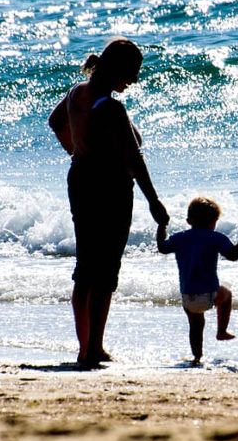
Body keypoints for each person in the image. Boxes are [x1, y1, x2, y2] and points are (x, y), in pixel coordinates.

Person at [48, 37, 170, 369]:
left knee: (86, 267)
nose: (135, 80)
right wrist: (154, 201)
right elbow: (134, 157)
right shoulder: (112, 107)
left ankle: (85, 347)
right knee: (104, 271)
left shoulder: (77, 92)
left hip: (80, 180)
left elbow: (56, 122)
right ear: (117, 68)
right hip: (111, 187)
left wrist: (77, 151)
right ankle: (94, 350)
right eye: (132, 72)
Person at [157, 197, 238, 366]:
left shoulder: (179, 238)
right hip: (210, 294)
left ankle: (197, 357)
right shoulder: (216, 238)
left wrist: (161, 227)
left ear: (189, 220)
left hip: (187, 296)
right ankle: (221, 331)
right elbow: (234, 255)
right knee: (227, 295)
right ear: (214, 221)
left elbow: (162, 248)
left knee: (196, 325)